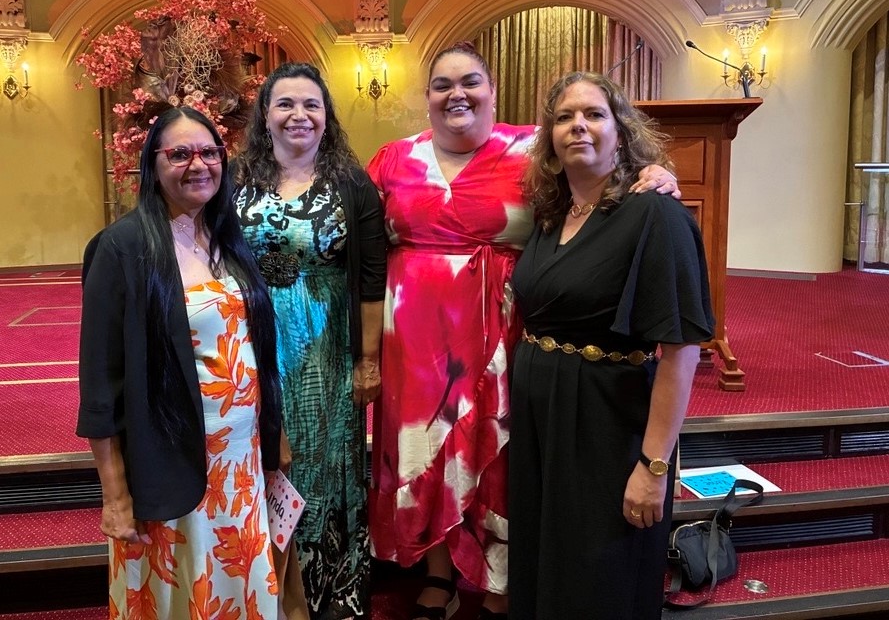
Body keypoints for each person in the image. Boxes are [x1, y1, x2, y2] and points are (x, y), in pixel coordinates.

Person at [365, 42, 680, 620]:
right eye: (442, 84)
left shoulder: (531, 148)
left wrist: (657, 171)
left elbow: (603, 175)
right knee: (427, 446)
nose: (456, 93)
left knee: (499, 447)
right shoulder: (392, 158)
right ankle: (439, 571)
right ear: (427, 96)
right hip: (415, 334)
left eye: (471, 81)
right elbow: (363, 236)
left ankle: (504, 575)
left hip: (506, 328)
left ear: (492, 91)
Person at [508, 71, 715, 619]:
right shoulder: (552, 215)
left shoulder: (655, 213)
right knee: (545, 557)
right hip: (542, 418)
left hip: (607, 419)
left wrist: (653, 467)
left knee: (600, 572)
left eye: (594, 114)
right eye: (563, 117)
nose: (578, 126)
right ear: (548, 139)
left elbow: (681, 351)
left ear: (620, 132)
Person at [77, 106, 283, 619]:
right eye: (181, 154)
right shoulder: (121, 248)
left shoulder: (226, 239)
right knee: (182, 590)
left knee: (235, 584)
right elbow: (101, 384)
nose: (199, 164)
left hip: (239, 464)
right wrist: (115, 495)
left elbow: (256, 348)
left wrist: (273, 437)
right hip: (170, 457)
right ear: (153, 164)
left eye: (210, 152)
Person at [233, 62, 386, 620]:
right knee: (256, 459)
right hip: (251, 344)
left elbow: (373, 279)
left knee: (322, 468)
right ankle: (263, 584)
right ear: (265, 116)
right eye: (286, 105)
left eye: (311, 105)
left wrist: (368, 361)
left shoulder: (351, 182)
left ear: (326, 118)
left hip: (325, 348)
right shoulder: (234, 178)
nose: (299, 115)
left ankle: (326, 594)